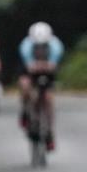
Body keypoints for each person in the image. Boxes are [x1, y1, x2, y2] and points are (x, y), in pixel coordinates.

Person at [18, 22, 64, 150]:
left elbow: (53, 65)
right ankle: (25, 112)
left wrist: (45, 66)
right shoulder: (25, 46)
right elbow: (28, 66)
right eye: (37, 45)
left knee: (48, 99)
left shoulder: (56, 46)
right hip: (30, 70)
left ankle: (49, 132)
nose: (40, 47)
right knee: (25, 87)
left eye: (43, 45)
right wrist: (36, 66)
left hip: (47, 71)